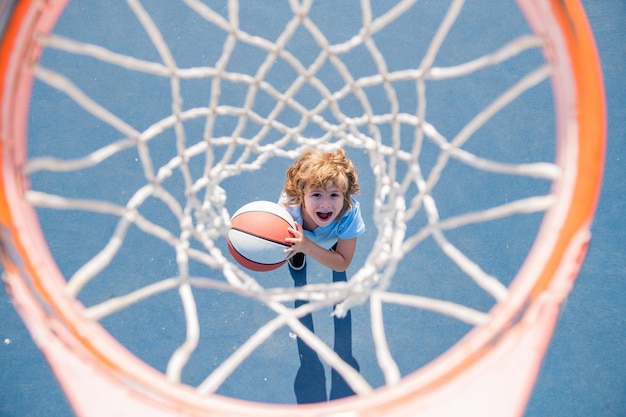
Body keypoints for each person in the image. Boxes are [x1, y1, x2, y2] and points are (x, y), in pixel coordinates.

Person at [279, 149, 365, 403]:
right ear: (301, 194)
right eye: (316, 194)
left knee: (333, 257)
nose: (326, 203)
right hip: (298, 236)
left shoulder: (348, 216)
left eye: (334, 195)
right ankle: (299, 252)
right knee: (295, 246)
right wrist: (299, 246)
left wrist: (308, 246)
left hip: (326, 240)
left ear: (346, 197)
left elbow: (342, 264)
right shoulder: (286, 212)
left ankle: (305, 249)